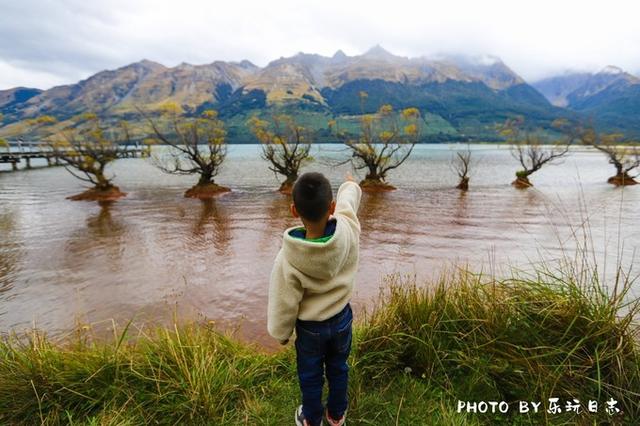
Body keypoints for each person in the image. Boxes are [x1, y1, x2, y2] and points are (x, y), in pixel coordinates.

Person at [267, 171, 362, 426]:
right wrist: (350, 185)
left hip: (310, 329)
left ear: (294, 210)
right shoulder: (348, 227)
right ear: (331, 207)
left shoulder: (288, 258)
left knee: (310, 375)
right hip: (342, 318)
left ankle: (311, 419)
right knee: (339, 367)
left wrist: (282, 334)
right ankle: (336, 415)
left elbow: (283, 303)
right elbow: (348, 203)